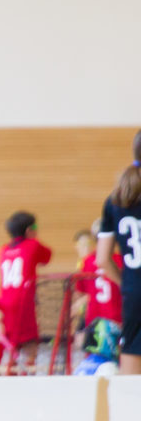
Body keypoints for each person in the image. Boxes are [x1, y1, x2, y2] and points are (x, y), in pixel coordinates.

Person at [96, 131, 141, 375]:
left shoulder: (115, 200)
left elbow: (102, 259)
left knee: (131, 375)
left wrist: (128, 283)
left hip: (133, 295)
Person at [0, 210, 52, 369]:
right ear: (29, 229)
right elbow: (47, 257)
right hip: (23, 301)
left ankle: (10, 375)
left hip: (5, 303)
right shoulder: (33, 244)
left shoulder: (5, 249)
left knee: (12, 348)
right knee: (30, 344)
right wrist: (33, 237)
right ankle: (28, 376)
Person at [75, 220, 123, 335]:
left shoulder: (86, 262)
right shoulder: (121, 260)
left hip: (94, 319)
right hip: (117, 318)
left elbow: (81, 292)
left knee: (95, 351)